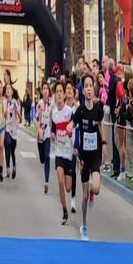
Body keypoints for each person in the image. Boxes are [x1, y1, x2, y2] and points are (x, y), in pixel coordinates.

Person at [75, 74, 104, 237]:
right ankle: (84, 224)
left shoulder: (98, 108)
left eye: (90, 86)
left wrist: (105, 142)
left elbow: (100, 124)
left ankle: (94, 191)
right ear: (83, 90)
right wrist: (70, 127)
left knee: (96, 189)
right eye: (85, 86)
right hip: (84, 158)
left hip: (95, 156)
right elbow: (73, 122)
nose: (88, 88)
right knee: (84, 196)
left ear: (93, 88)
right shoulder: (80, 110)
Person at [51, 78, 77, 223]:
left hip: (69, 153)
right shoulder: (54, 113)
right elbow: (53, 130)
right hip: (59, 153)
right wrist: (53, 134)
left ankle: (69, 196)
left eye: (61, 91)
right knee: (60, 181)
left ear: (65, 95)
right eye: (58, 92)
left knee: (68, 187)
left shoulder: (70, 112)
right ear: (55, 95)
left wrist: (76, 147)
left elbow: (75, 130)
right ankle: (64, 210)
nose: (60, 94)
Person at [35, 84, 52, 194]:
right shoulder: (39, 104)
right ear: (42, 91)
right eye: (44, 89)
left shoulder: (52, 104)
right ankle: (42, 158)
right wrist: (39, 130)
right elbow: (35, 120)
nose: (45, 91)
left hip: (48, 134)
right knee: (42, 159)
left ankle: (46, 181)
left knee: (47, 156)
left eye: (47, 89)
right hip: (40, 134)